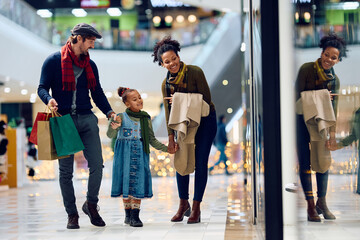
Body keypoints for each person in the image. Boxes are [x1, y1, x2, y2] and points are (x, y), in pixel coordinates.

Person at [38, 23, 116, 229]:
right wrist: (49, 99)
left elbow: (97, 93)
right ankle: (72, 214)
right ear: (79, 38)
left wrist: (109, 112)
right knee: (66, 172)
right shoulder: (54, 61)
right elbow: (42, 87)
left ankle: (91, 204)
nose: (92, 45)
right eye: (90, 41)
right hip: (63, 121)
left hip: (87, 118)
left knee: (97, 165)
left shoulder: (91, 65)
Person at [152, 36, 217, 224]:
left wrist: (180, 99)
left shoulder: (195, 72)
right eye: (167, 62)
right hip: (182, 124)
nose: (172, 63)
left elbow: (205, 101)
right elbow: (168, 112)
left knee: (200, 162)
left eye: (174, 58)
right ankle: (183, 204)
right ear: (162, 64)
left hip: (205, 121)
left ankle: (196, 208)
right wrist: (170, 138)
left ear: (178, 56)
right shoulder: (166, 85)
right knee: (182, 163)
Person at [295, 33, 347, 222]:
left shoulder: (335, 80)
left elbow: (334, 109)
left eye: (334, 57)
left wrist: (332, 135)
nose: (329, 60)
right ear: (322, 52)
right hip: (301, 121)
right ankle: (310, 205)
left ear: (338, 60)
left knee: (323, 162)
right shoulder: (307, 69)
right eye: (327, 55)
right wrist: (321, 95)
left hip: (322, 124)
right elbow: (297, 97)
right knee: (305, 163)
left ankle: (322, 202)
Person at [107, 87, 173, 227]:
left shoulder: (146, 118)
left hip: (140, 155)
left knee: (137, 182)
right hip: (124, 157)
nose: (139, 101)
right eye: (134, 99)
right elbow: (110, 135)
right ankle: (128, 215)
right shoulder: (120, 117)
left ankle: (135, 216)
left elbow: (151, 139)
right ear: (127, 104)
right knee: (126, 182)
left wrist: (167, 149)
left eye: (139, 97)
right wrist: (114, 126)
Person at [330, 107, 360, 194]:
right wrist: (339, 145)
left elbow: (354, 135)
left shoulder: (358, 113)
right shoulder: (358, 114)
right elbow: (354, 135)